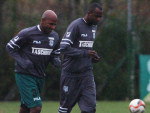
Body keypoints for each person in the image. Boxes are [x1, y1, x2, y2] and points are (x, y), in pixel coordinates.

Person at [6, 10, 60, 113]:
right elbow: (10, 47)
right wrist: (22, 61)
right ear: (42, 21)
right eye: (50, 24)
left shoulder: (55, 36)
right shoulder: (27, 33)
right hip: (25, 75)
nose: (53, 27)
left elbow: (54, 53)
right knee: (36, 107)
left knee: (25, 108)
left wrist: (55, 60)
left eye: (55, 25)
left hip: (40, 76)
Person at [58, 3, 103, 113]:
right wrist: (85, 53)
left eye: (100, 16)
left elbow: (85, 49)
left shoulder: (94, 27)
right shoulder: (76, 25)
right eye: (96, 16)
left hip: (87, 75)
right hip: (70, 75)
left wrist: (92, 57)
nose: (98, 19)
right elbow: (63, 48)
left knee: (90, 108)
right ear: (89, 13)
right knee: (65, 109)